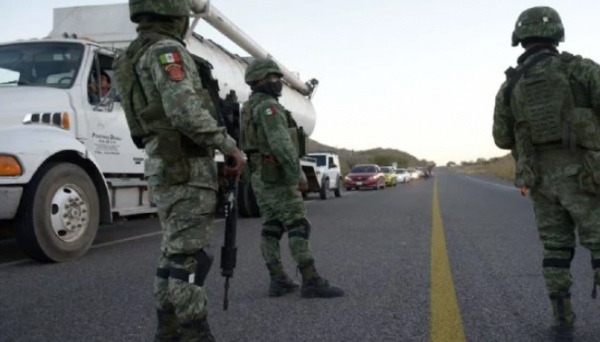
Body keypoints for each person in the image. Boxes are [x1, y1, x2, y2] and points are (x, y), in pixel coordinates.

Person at [113, 1, 245, 341]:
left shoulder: (132, 55)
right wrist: (227, 144)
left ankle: (168, 333)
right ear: (174, 13)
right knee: (189, 258)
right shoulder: (167, 50)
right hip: (185, 166)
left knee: (172, 254)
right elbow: (183, 110)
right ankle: (195, 334)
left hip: (163, 161)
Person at [493, 6, 600, 340]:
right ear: (557, 34)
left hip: (540, 178)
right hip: (587, 175)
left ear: (520, 38)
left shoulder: (510, 86)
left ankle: (562, 320)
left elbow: (502, 138)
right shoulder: (580, 69)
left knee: (555, 249)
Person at [240, 57, 344, 299]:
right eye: (274, 78)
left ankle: (278, 280)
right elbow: (280, 143)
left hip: (258, 175)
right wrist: (297, 173)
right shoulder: (269, 107)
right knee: (298, 225)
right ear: (261, 80)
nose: (278, 83)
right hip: (276, 175)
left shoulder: (248, 107)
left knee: (271, 227)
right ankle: (311, 280)